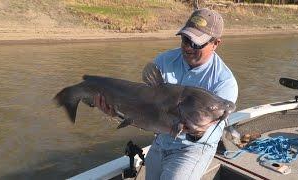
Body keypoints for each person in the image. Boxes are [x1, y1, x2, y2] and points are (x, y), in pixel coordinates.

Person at [95, 8, 238, 180]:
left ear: (215, 44)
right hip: (161, 140)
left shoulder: (224, 83)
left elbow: (208, 133)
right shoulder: (164, 61)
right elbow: (143, 105)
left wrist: (193, 129)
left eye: (196, 43)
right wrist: (116, 112)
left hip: (192, 149)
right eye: (185, 39)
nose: (187, 47)